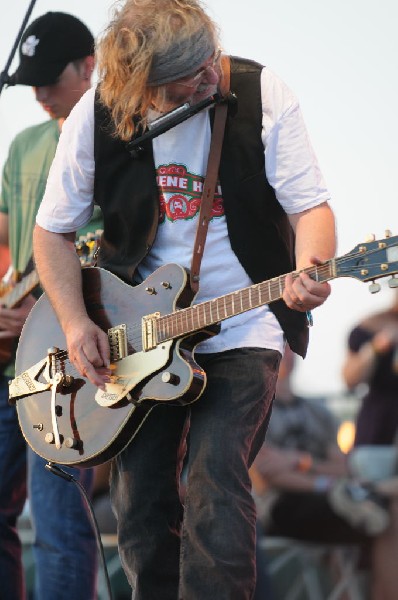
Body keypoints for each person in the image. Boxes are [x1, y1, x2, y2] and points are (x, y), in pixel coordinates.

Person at [32, 1, 336, 597]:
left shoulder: (263, 92)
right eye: (185, 78)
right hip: (139, 335)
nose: (207, 79)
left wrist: (310, 270)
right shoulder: (94, 118)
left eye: (207, 63)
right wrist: (73, 322)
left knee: (216, 481)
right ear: (138, 87)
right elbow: (52, 231)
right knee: (140, 504)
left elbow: (310, 207)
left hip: (246, 323)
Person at [0, 12, 102, 600]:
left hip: (66, 356)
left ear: (88, 67)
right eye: (29, 80)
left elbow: (112, 250)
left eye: (49, 78)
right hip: (10, 358)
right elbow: (7, 242)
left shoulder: (111, 142)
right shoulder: (23, 145)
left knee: (61, 523)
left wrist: (48, 308)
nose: (39, 92)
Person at [340, 290, 398, 599]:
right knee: (386, 513)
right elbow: (349, 379)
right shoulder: (371, 326)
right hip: (379, 433)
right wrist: (376, 349)